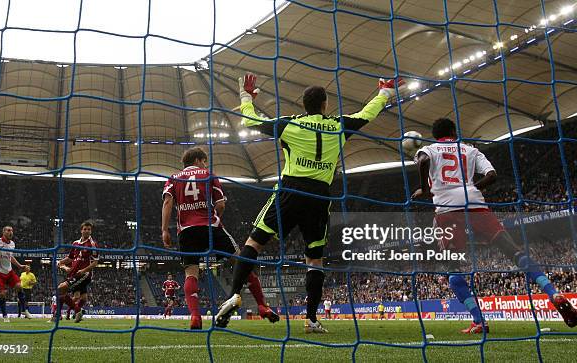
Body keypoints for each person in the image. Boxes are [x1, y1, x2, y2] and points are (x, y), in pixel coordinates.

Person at [215, 73, 402, 333]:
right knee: (315, 260)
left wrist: (246, 95)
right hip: (319, 196)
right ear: (325, 105)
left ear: (304, 105)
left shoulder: (289, 125)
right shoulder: (339, 125)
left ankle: (234, 294)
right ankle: (312, 319)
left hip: (290, 190)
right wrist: (386, 92)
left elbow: (250, 120)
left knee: (254, 243)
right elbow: (366, 113)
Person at [412, 117, 577, 333]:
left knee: (454, 272)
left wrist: (425, 191)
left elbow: (423, 160)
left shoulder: (430, 149)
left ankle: (479, 320)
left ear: (435, 135)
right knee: (514, 252)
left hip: (447, 210)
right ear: (454, 131)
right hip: (475, 204)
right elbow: (492, 175)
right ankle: (552, 292)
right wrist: (472, 189)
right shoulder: (470, 150)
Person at [162, 147, 279, 330]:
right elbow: (221, 204)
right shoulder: (209, 175)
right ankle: (262, 306)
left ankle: (195, 317)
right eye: (204, 161)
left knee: (191, 273)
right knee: (242, 262)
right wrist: (214, 218)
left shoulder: (173, 178)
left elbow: (168, 202)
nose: (205, 164)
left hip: (186, 231)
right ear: (199, 160)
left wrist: (164, 231)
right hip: (211, 227)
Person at [0, 226, 32, 322]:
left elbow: (10, 257)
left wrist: (20, 266)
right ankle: (5, 316)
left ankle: (24, 310)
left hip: (9, 271)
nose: (11, 232)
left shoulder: (12, 244)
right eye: (8, 230)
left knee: (19, 286)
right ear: (4, 232)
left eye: (12, 231)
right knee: (2, 294)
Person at [57, 221, 99, 323]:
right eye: (85, 229)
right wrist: (60, 262)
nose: (87, 231)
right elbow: (70, 258)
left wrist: (83, 270)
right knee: (83, 298)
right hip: (74, 273)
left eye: (89, 229)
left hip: (84, 274)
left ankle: (76, 311)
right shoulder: (75, 243)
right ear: (81, 230)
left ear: (91, 231)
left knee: (61, 288)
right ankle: (62, 314)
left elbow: (95, 262)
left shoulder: (92, 244)